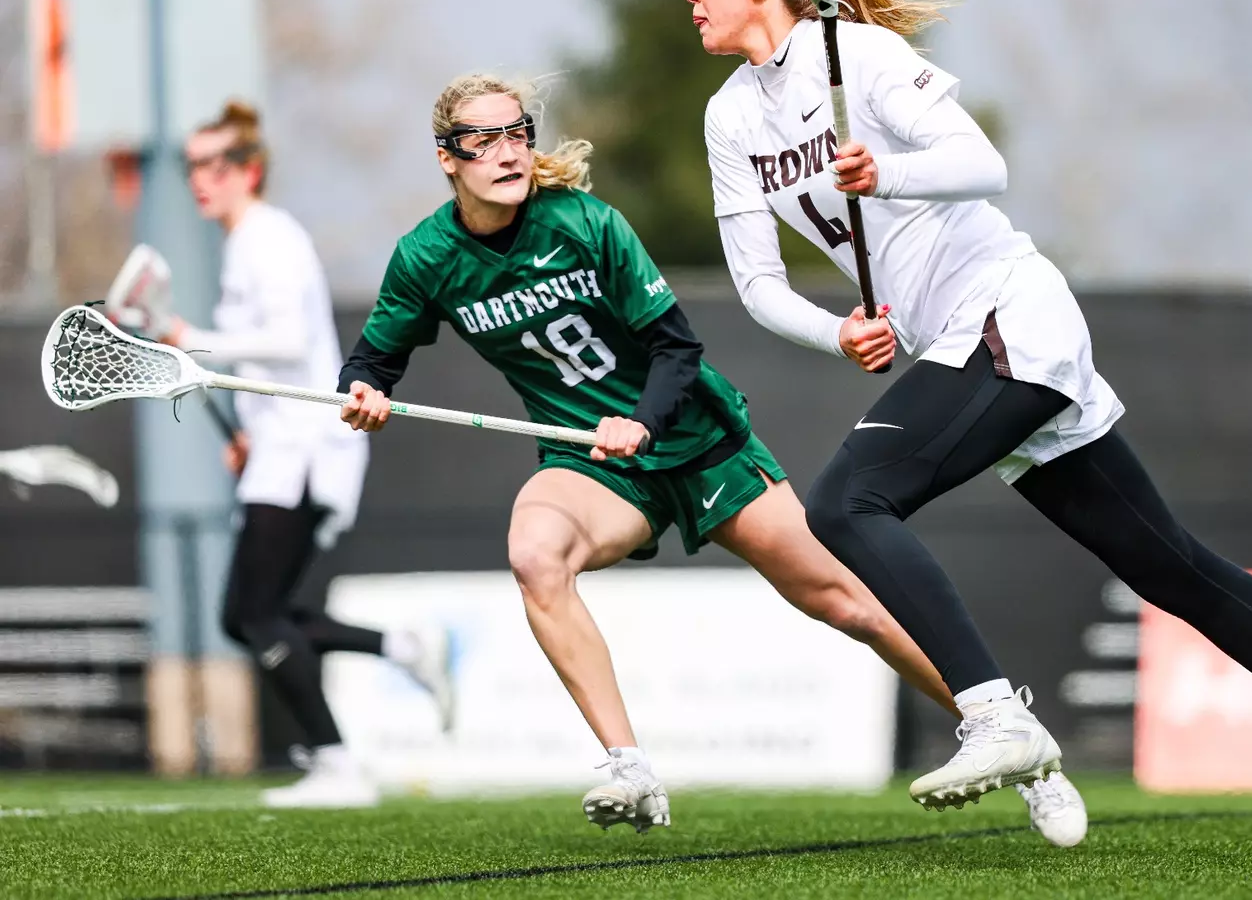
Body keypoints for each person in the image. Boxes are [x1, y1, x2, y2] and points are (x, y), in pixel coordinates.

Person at [687, 0, 1252, 859]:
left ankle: (996, 715)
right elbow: (756, 284)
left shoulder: (857, 55)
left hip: (1006, 313)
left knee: (846, 501)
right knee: (1169, 565)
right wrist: (839, 330)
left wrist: (889, 174)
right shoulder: (729, 116)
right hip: (955, 341)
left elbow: (983, 164)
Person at [334, 74, 1089, 846]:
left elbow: (676, 349)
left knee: (850, 602)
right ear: (447, 159)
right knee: (534, 556)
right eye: (482, 141)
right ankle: (630, 768)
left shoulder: (586, 223)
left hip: (697, 441)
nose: (506, 152)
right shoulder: (426, 257)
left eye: (517, 133)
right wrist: (362, 394)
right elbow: (372, 362)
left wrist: (641, 422)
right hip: (593, 463)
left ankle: (1019, 745)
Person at [155, 101, 454, 808]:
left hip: (307, 453)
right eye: (192, 164)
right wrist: (246, 431)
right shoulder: (243, 243)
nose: (202, 177)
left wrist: (192, 339)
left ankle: (337, 761)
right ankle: (402, 649)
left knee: (253, 615)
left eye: (215, 163)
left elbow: (290, 342)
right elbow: (278, 367)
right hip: (278, 449)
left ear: (249, 170)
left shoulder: (269, 237)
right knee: (255, 614)